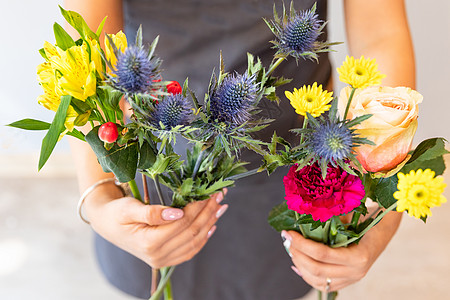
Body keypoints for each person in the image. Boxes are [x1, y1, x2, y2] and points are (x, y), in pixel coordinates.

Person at [66, 0, 415, 299]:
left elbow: (378, 35)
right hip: (148, 172)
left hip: (293, 168)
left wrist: (381, 206)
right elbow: (90, 56)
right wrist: (98, 199)